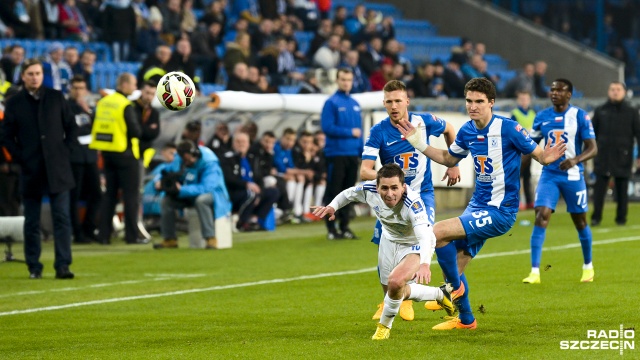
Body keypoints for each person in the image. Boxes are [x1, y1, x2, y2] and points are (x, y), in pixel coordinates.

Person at [396, 77, 566, 329]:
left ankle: (451, 290)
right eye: (469, 101)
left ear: (491, 103)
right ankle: (466, 320)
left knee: (437, 233)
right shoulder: (466, 130)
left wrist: (547, 157)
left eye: (479, 101)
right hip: (477, 207)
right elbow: (448, 158)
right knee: (453, 265)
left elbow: (540, 155)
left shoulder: (508, 128)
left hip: (501, 211)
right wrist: (418, 143)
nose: (472, 106)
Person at [312, 164, 456, 340]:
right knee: (394, 292)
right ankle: (440, 294)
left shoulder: (413, 203)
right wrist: (332, 207)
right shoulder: (369, 189)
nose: (389, 193)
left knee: (396, 282)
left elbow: (425, 237)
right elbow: (348, 194)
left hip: (414, 244)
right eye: (385, 188)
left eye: (395, 188)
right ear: (377, 186)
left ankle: (383, 328)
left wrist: (425, 263)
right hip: (388, 240)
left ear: (403, 187)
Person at [361, 79, 460, 322]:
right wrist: (389, 182)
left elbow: (449, 129)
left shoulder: (423, 121)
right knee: (385, 250)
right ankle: (391, 299)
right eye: (389, 101)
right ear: (383, 104)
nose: (394, 106)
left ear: (407, 101)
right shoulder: (379, 132)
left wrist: (454, 163)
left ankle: (406, 301)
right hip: (392, 200)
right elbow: (365, 171)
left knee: (420, 242)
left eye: (398, 100)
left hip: (421, 196)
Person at [2, 58, 79, 279]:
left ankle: (63, 265)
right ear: (23, 76)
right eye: (30, 74)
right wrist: (21, 157)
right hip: (31, 169)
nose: (35, 77)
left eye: (38, 73)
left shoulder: (56, 98)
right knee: (32, 221)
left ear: (42, 75)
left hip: (58, 168)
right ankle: (34, 266)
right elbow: (6, 137)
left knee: (62, 218)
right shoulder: (15, 103)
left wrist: (65, 152)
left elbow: (71, 127)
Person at [522, 78, 598, 284]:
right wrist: (518, 167)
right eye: (552, 89)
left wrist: (575, 159)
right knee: (541, 214)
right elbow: (530, 146)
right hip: (550, 175)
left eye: (559, 90)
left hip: (573, 176)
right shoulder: (542, 117)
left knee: (580, 221)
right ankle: (534, 272)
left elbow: (593, 147)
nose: (554, 93)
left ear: (569, 94)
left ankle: (588, 267)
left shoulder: (579, 116)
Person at [90, 73, 145, 245]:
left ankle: (103, 235)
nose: (135, 88)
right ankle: (132, 235)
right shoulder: (125, 104)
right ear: (124, 84)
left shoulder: (104, 102)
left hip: (107, 153)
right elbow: (136, 132)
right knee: (130, 196)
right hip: (126, 155)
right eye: (133, 84)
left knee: (109, 196)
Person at [153, 140, 231, 249]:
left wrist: (182, 189)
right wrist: (158, 181)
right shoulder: (180, 158)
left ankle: (210, 238)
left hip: (214, 194)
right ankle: (170, 239)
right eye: (186, 160)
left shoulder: (209, 161)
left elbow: (207, 187)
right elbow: (166, 170)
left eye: (190, 159)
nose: (189, 161)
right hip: (187, 192)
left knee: (201, 200)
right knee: (167, 201)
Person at [321, 68, 363, 240]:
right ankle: (331, 228)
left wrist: (362, 153)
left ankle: (345, 226)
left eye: (349, 79)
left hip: (352, 154)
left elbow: (359, 132)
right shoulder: (331, 102)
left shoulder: (355, 103)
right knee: (334, 191)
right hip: (336, 153)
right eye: (343, 79)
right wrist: (349, 132)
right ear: (337, 80)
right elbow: (327, 127)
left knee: (349, 193)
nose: (346, 82)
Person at [591, 81, 640, 227]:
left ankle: (621, 219)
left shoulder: (631, 111)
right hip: (603, 155)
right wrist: (587, 153)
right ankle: (596, 218)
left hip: (622, 155)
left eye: (618, 89)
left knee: (622, 189)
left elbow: (639, 134)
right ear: (608, 91)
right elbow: (591, 134)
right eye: (612, 89)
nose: (615, 92)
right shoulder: (600, 110)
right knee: (599, 190)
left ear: (624, 92)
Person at [221, 131, 279, 231]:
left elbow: (259, 177)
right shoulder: (227, 158)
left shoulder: (252, 158)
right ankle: (243, 222)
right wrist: (246, 184)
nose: (241, 144)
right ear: (233, 143)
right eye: (238, 141)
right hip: (236, 191)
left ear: (248, 144)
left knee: (273, 192)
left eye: (244, 142)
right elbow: (228, 178)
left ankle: (256, 220)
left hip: (253, 191)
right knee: (251, 194)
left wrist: (260, 193)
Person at [67, 75, 101, 244]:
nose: (79, 91)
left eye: (81, 88)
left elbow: (97, 127)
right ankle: (77, 233)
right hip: (74, 157)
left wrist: (88, 110)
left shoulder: (90, 108)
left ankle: (89, 228)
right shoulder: (65, 107)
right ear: (70, 89)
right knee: (74, 196)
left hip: (90, 156)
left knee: (96, 193)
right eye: (76, 88)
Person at [510, 90, 536, 209]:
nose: (524, 101)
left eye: (526, 99)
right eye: (522, 99)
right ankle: (518, 201)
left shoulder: (532, 113)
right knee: (517, 175)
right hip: (518, 148)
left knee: (527, 175)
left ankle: (530, 201)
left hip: (529, 148)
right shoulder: (515, 113)